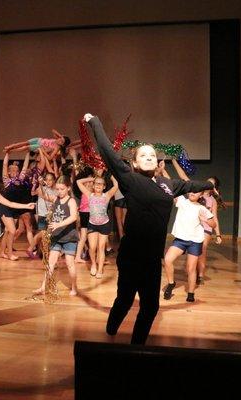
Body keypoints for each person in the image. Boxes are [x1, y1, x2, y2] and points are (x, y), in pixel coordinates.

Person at [85, 113, 214, 344]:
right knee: (124, 300)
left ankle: (137, 347)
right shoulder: (130, 179)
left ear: (158, 162)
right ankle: (111, 331)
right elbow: (107, 152)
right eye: (143, 155)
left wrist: (209, 185)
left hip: (153, 257)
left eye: (152, 155)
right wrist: (95, 122)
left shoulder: (167, 184)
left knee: (151, 306)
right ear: (134, 162)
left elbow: (188, 185)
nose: (148, 157)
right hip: (132, 255)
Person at [170, 159, 223, 284]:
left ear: (214, 188)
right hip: (193, 226)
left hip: (206, 227)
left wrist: (218, 234)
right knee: (195, 251)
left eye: (211, 184)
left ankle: (200, 276)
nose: (208, 184)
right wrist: (174, 161)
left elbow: (214, 217)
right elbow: (183, 177)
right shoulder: (195, 191)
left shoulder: (212, 200)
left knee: (202, 249)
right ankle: (191, 269)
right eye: (207, 182)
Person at [162, 192, 216, 302]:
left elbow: (213, 224)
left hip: (195, 241)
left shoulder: (201, 208)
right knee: (167, 259)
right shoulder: (182, 201)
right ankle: (171, 283)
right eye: (192, 191)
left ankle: (191, 293)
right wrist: (161, 173)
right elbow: (171, 187)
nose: (193, 193)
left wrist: (204, 219)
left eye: (196, 192)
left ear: (200, 195)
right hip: (181, 240)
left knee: (190, 268)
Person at [34, 175, 79, 296]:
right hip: (57, 236)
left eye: (62, 189)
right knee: (51, 262)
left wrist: (58, 224)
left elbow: (73, 217)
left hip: (69, 237)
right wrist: (41, 185)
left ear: (68, 188)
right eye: (58, 189)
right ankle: (43, 287)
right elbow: (43, 196)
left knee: (70, 264)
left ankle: (74, 287)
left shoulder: (71, 201)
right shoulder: (56, 199)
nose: (59, 191)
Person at [76, 175, 118, 278]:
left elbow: (116, 185)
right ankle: (94, 264)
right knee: (92, 247)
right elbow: (79, 182)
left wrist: (112, 178)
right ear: (93, 186)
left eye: (101, 183)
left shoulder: (107, 195)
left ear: (104, 186)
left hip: (104, 225)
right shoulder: (89, 195)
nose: (98, 185)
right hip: (92, 225)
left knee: (101, 247)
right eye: (96, 183)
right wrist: (91, 179)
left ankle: (99, 269)